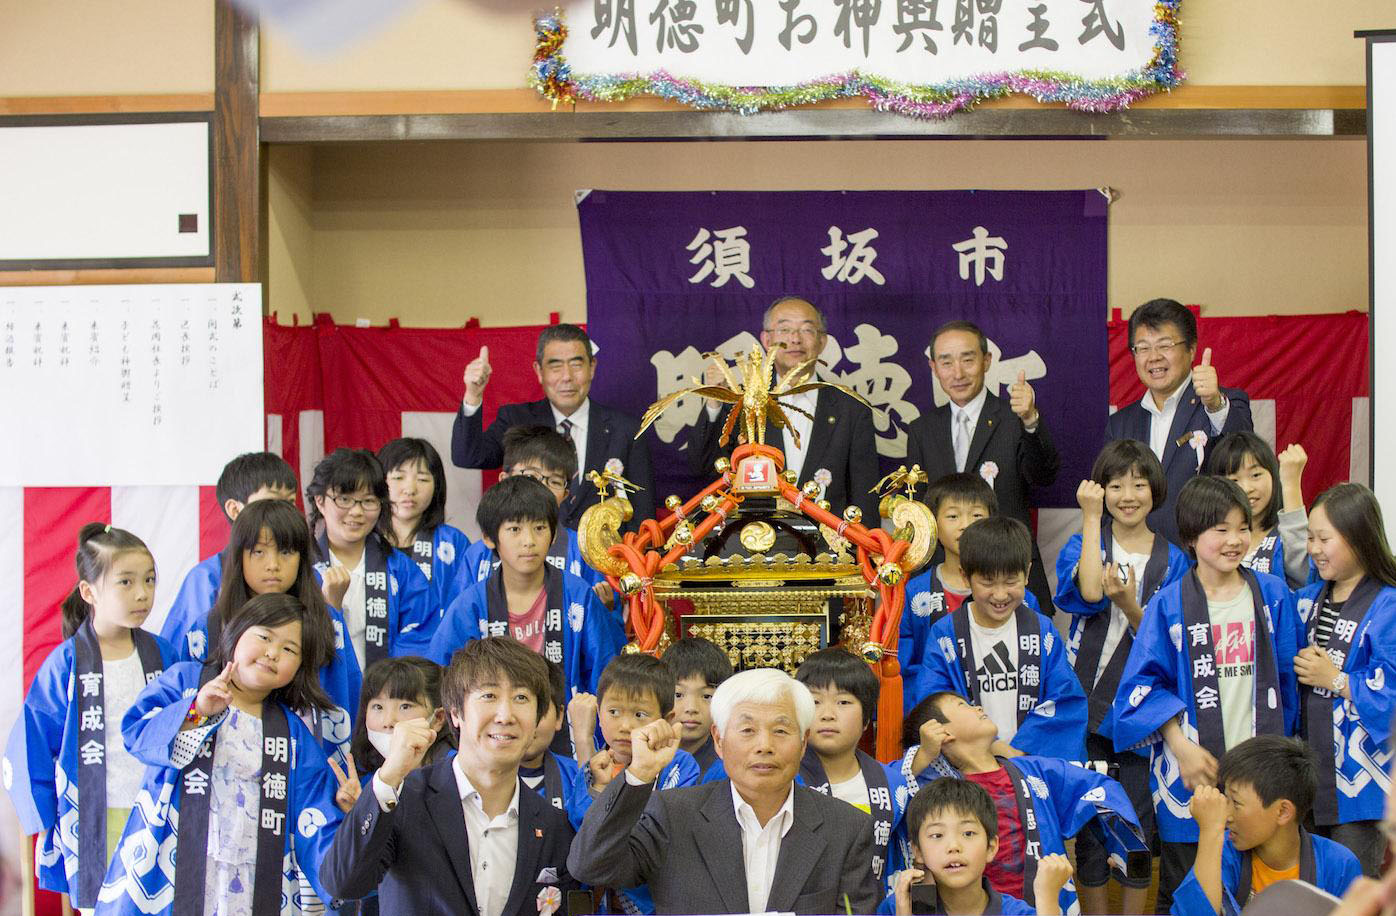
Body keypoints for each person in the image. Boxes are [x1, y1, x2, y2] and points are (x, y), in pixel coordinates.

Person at [1113, 475, 1302, 914]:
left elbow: (1288, 686)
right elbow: (1140, 690)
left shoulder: (1271, 594)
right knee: (1190, 891)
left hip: (1260, 776)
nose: (1235, 540)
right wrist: (1182, 747)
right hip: (1191, 777)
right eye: (1221, 530)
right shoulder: (1169, 604)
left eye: (1243, 527)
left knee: (1258, 891)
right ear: (1192, 538)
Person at [99, 593, 345, 915]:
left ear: (299, 667)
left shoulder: (293, 731)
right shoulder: (186, 681)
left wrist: (348, 813)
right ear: (236, 632)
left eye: (289, 649)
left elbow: (314, 813)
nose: (272, 653)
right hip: (173, 859)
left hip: (254, 870)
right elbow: (138, 732)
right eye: (264, 637)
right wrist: (196, 710)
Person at [567, 667, 882, 915]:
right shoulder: (671, 815)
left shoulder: (847, 829)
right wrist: (638, 775)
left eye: (781, 730)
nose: (764, 746)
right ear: (718, 740)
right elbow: (590, 865)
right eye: (747, 730)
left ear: (802, 743)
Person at [320, 637, 580, 915]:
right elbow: (342, 884)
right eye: (489, 695)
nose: (505, 715)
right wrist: (389, 776)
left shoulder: (554, 826)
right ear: (455, 712)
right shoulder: (402, 800)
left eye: (521, 698)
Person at [4, 525, 177, 912]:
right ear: (89, 591)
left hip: (158, 811)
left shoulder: (165, 655)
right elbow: (30, 740)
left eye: (149, 580)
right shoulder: (66, 663)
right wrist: (44, 816)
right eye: (126, 582)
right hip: (94, 815)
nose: (142, 593)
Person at [1054, 440, 1190, 916]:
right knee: (1091, 827)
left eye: (1138, 483)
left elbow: (1168, 638)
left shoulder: (1174, 561)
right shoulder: (1087, 540)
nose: (1128, 494)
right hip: (1085, 708)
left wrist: (1131, 605)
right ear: (1100, 491)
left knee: (1134, 827)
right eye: (1115, 485)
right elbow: (1089, 590)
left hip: (1139, 714)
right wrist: (1091, 518)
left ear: (1156, 489)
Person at [900, 692, 1148, 916]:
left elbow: (1099, 789)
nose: (976, 707)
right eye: (962, 705)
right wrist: (924, 754)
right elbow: (890, 791)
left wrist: (1123, 844)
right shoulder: (938, 791)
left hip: (1042, 903)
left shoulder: (1035, 770)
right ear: (942, 732)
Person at [172, 499, 363, 758]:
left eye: (285, 552)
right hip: (223, 763)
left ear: (302, 558)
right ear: (239, 556)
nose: (273, 564)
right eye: (259, 552)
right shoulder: (207, 627)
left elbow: (343, 698)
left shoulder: (326, 621)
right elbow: (185, 704)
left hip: (303, 768)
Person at [429, 475, 623, 707]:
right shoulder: (471, 605)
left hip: (566, 732)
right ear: (489, 539)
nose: (529, 540)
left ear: (553, 536)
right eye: (514, 529)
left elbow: (604, 673)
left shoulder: (578, 595)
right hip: (493, 732)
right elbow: (439, 676)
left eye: (539, 528)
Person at [906, 320, 1061, 609]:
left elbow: (1044, 476)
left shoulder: (1015, 417)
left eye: (968, 359)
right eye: (947, 362)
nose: (958, 373)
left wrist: (1030, 421)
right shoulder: (922, 430)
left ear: (986, 361)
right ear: (934, 367)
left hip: (1009, 574)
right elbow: (919, 512)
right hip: (941, 582)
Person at [687, 297, 880, 522]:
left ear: (823, 341)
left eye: (806, 329)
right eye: (784, 329)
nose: (795, 339)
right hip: (756, 543)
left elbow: (864, 496)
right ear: (766, 339)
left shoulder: (851, 410)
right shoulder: (746, 403)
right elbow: (702, 467)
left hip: (830, 549)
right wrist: (714, 401)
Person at [908, 517, 1087, 758]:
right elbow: (934, 703)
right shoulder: (946, 634)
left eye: (1011, 581)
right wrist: (991, 746)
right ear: (965, 576)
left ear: (1027, 574)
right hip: (970, 764)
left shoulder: (1041, 629)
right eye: (988, 582)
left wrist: (1018, 751)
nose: (1000, 594)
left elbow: (1065, 698)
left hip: (1032, 761)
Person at [452, 323, 655, 529]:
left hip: (604, 557)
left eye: (576, 364)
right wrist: (473, 394)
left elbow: (642, 514)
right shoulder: (516, 419)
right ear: (539, 371)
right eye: (555, 366)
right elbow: (468, 455)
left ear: (592, 367)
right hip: (532, 555)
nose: (566, 376)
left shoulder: (626, 430)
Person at [1294, 483, 1396, 877]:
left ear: (1358, 538)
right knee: (1312, 888)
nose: (1314, 548)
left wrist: (1336, 679)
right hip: (1308, 775)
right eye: (1310, 537)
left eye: (1324, 538)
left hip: (1359, 783)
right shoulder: (1308, 598)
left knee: (1351, 889)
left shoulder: (1388, 603)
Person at [1107, 298, 1253, 546]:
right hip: (1138, 566)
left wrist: (1214, 403)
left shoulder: (1222, 404)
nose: (1153, 357)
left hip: (1201, 563)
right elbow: (1107, 503)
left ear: (1191, 349)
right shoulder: (1120, 424)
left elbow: (1242, 454)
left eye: (1165, 345)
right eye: (1142, 348)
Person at [1172, 736, 1362, 916]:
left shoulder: (1338, 865)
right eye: (1225, 798)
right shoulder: (1222, 853)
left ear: (1282, 812)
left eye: (1236, 803)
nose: (1226, 815)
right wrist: (1209, 831)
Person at [900, 474, 1044, 708]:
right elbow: (904, 668)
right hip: (938, 713)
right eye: (953, 516)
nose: (965, 524)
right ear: (933, 523)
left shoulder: (1022, 598)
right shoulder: (915, 592)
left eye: (976, 515)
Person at [794, 648, 922, 886]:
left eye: (843, 702)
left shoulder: (893, 784)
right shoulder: (784, 781)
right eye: (815, 701)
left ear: (866, 719)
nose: (828, 714)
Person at [161, 451, 298, 660]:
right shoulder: (206, 579)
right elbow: (179, 662)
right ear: (235, 509)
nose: (283, 513)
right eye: (271, 502)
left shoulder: (303, 569)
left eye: (290, 503)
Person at [307, 448, 437, 663]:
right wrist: (330, 608)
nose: (357, 512)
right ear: (320, 501)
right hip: (319, 691)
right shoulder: (301, 565)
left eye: (368, 501)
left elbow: (421, 635)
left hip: (384, 692)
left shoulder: (401, 569)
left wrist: (386, 687)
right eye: (345, 499)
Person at [460, 426, 610, 608]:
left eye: (554, 481)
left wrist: (604, 610)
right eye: (531, 475)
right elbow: (459, 622)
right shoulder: (477, 555)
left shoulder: (585, 551)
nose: (541, 487)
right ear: (504, 479)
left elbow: (609, 624)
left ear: (565, 494)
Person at [880, 778, 1074, 915]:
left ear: (991, 847)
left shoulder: (1016, 913)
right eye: (937, 835)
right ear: (918, 852)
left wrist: (1047, 898)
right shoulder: (898, 905)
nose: (953, 846)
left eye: (968, 833)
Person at [377, 437, 475, 616]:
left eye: (422, 479)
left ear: (437, 486)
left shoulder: (454, 543)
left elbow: (468, 607)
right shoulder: (366, 542)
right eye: (398, 477)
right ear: (380, 483)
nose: (410, 489)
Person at [1204, 433, 1312, 589]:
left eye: (1255, 475)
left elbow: (1305, 573)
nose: (1247, 488)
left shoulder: (1285, 537)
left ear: (1274, 476)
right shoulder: (1208, 538)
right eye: (1234, 480)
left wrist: (1291, 484)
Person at [519, 660, 584, 817]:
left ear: (559, 716)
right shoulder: (468, 777)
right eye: (520, 704)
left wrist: (585, 740)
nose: (530, 723)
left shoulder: (577, 776)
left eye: (540, 710)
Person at [661, 636, 733, 774]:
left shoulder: (726, 768)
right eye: (678, 695)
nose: (691, 708)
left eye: (706, 696)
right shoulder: (644, 758)